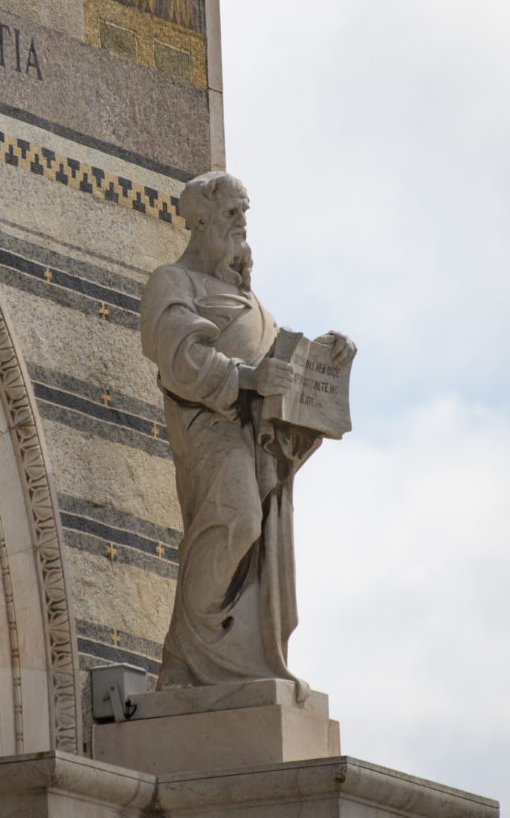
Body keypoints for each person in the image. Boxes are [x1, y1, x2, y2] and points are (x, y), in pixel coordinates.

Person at [140, 171, 355, 698]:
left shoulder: (248, 299)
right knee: (235, 521)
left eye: (244, 213)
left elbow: (278, 357)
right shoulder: (173, 282)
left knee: (256, 538)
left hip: (255, 434)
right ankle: (188, 652)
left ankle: (243, 659)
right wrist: (248, 379)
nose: (241, 223)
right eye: (231, 212)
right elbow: (179, 359)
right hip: (209, 427)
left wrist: (325, 357)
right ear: (200, 220)